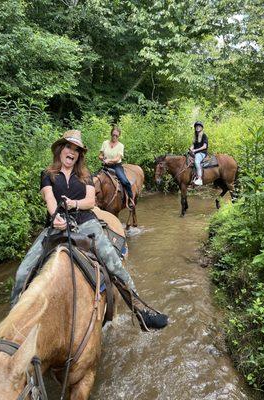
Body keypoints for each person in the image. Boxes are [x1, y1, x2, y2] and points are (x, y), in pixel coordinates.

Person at [11, 130, 168, 331]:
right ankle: (15, 323)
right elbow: (50, 199)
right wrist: (56, 216)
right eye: (68, 147)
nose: (72, 152)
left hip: (85, 223)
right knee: (23, 272)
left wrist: (74, 204)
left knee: (113, 263)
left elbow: (90, 201)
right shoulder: (48, 175)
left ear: (79, 155)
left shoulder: (85, 175)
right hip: (56, 225)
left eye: (76, 150)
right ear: (60, 149)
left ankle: (141, 310)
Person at [99, 126, 135, 209]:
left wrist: (109, 160)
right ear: (111, 134)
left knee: (125, 181)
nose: (114, 137)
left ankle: (130, 198)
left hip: (116, 166)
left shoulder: (120, 145)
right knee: (95, 178)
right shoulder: (105, 143)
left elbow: (118, 158)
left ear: (119, 136)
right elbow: (100, 155)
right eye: (113, 135)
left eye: (116, 136)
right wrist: (102, 158)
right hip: (105, 165)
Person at [189, 121, 208, 186]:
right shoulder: (195, 136)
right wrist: (191, 148)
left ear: (201, 128)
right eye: (196, 126)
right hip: (196, 152)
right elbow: (193, 145)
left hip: (202, 153)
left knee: (197, 161)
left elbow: (204, 146)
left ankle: (199, 179)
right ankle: (191, 177)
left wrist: (195, 150)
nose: (197, 127)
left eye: (199, 126)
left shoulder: (204, 135)